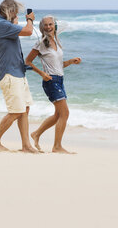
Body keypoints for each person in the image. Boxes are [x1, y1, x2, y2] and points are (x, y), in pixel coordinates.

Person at [25, 15, 81, 153]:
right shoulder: (41, 43)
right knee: (65, 113)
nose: (48, 27)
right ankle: (57, 147)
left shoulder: (56, 41)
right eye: (46, 25)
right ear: (42, 28)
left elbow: (58, 66)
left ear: (54, 26)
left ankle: (36, 134)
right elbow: (27, 61)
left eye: (51, 24)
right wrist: (42, 73)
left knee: (58, 114)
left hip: (60, 80)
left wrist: (71, 62)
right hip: (51, 81)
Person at [0, 0, 38, 153]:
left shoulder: (6, 25)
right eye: (15, 11)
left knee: (25, 109)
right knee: (16, 111)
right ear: (9, 11)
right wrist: (29, 20)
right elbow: (29, 31)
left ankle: (26, 145)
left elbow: (20, 31)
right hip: (9, 74)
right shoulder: (1, 25)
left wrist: (16, 22)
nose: (17, 14)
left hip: (18, 72)